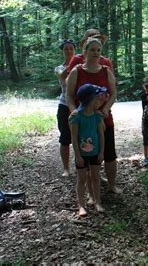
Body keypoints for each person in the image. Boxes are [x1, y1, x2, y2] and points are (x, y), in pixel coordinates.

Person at [66, 37, 120, 194]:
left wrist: (105, 109)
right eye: (92, 50)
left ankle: (111, 185)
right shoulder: (77, 71)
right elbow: (69, 95)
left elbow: (113, 92)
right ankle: (90, 193)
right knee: (87, 155)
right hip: (83, 121)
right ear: (85, 52)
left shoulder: (105, 70)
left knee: (109, 153)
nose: (96, 53)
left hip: (103, 119)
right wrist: (73, 111)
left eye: (98, 50)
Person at [69, 84, 107, 217]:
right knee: (82, 179)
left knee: (95, 178)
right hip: (81, 155)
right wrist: (77, 155)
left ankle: (97, 202)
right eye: (98, 98)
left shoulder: (97, 116)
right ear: (91, 99)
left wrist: (102, 152)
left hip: (95, 153)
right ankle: (81, 206)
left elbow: (101, 134)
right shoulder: (76, 117)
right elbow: (73, 137)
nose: (100, 100)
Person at [55, 39, 76, 177]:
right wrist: (73, 65)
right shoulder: (59, 68)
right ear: (62, 51)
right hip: (64, 105)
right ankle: (66, 169)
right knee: (65, 138)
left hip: (80, 105)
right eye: (66, 49)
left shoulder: (81, 64)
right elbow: (63, 77)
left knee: (82, 137)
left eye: (71, 49)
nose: (68, 51)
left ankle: (84, 166)